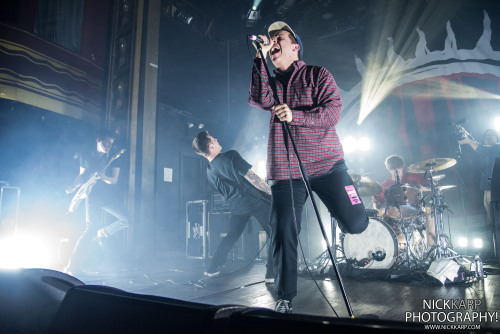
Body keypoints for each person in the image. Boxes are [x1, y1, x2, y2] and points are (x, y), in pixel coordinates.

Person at [249, 21, 368, 313]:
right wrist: (259, 58)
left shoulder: (317, 74)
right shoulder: (271, 82)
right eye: (270, 40)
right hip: (286, 172)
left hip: (328, 164)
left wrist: (296, 116)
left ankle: (350, 213)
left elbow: (332, 113)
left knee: (357, 223)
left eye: (279, 38)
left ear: (295, 46)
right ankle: (285, 296)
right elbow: (258, 97)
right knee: (283, 231)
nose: (273, 42)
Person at [192, 131, 274, 282]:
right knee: (273, 232)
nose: (217, 139)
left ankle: (213, 268)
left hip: (237, 207)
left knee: (231, 236)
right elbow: (252, 177)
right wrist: (271, 193)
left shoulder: (209, 171)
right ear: (210, 146)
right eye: (213, 139)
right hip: (255, 201)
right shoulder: (231, 156)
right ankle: (271, 273)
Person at [65, 129, 128, 274]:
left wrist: (103, 176)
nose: (109, 146)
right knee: (89, 228)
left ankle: (102, 234)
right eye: (106, 142)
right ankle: (71, 266)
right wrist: (73, 186)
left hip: (108, 197)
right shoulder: (86, 156)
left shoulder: (114, 157)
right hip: (92, 196)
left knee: (127, 219)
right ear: (98, 140)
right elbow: (81, 177)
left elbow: (113, 180)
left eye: (111, 144)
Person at [372, 155, 435, 246]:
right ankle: (394, 249)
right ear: (388, 170)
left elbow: (428, 186)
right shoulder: (384, 185)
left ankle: (432, 248)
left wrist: (421, 186)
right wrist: (375, 202)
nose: (396, 170)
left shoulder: (412, 177)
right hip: (394, 215)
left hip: (415, 210)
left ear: (402, 167)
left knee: (430, 216)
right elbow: (378, 207)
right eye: (392, 168)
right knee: (382, 220)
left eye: (398, 167)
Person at [459, 129, 500, 225]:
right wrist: (469, 139)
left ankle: (496, 228)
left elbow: (482, 149)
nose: (488, 137)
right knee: (487, 205)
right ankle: (494, 229)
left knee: (491, 205)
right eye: (486, 135)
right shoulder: (486, 148)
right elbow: (481, 147)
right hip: (487, 183)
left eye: (491, 135)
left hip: (494, 183)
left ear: (496, 138)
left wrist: (469, 141)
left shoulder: (497, 147)